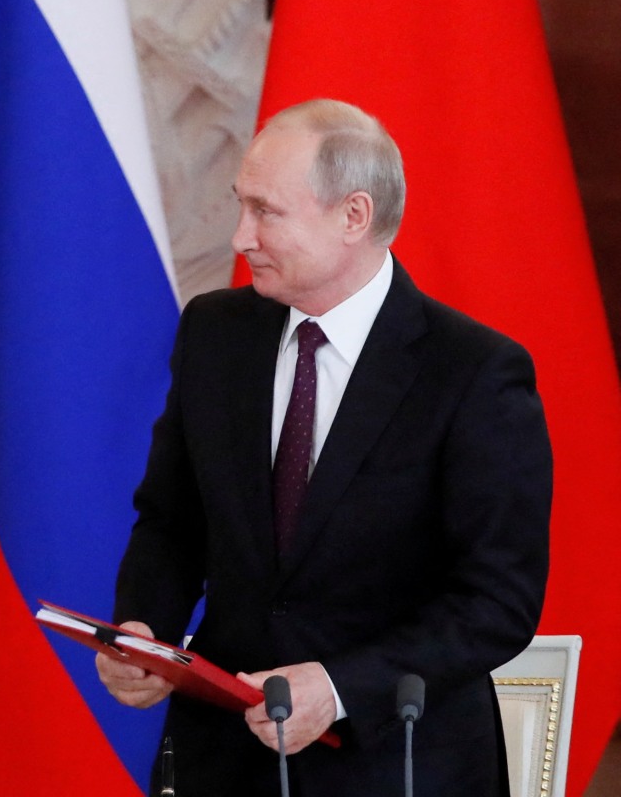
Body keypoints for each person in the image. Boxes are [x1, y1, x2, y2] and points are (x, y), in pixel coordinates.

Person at [100, 99, 550, 795]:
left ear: (354, 216)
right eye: (239, 206)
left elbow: (498, 600)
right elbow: (173, 520)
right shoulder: (216, 334)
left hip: (396, 760)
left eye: (266, 211)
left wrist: (340, 687)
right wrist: (146, 631)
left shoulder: (473, 373)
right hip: (226, 759)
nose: (241, 235)